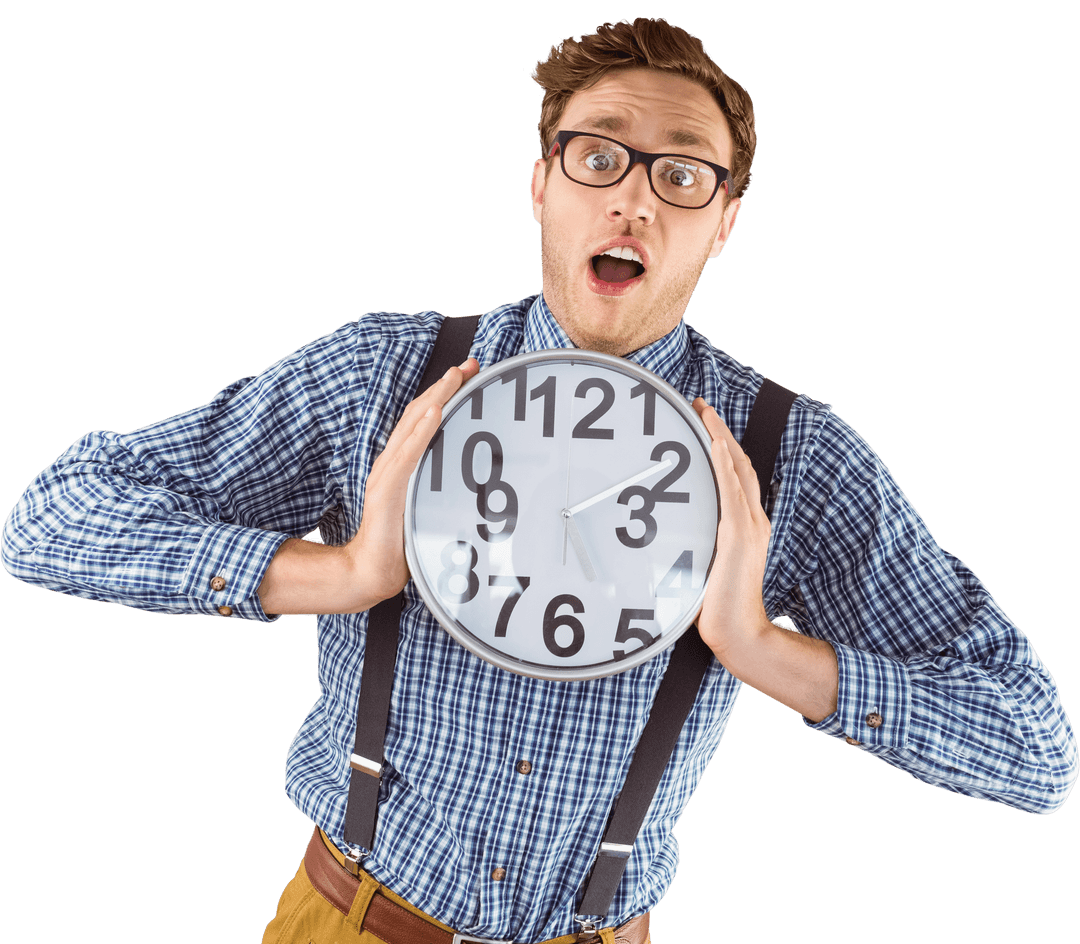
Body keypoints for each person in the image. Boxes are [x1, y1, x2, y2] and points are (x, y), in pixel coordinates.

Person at [3, 16, 1076, 944]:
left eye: (683, 172)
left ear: (724, 223)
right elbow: (50, 517)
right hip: (350, 918)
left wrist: (762, 648)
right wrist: (345, 570)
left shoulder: (787, 458)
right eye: (598, 157)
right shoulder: (385, 376)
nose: (636, 201)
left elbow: (1035, 751)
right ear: (541, 185)